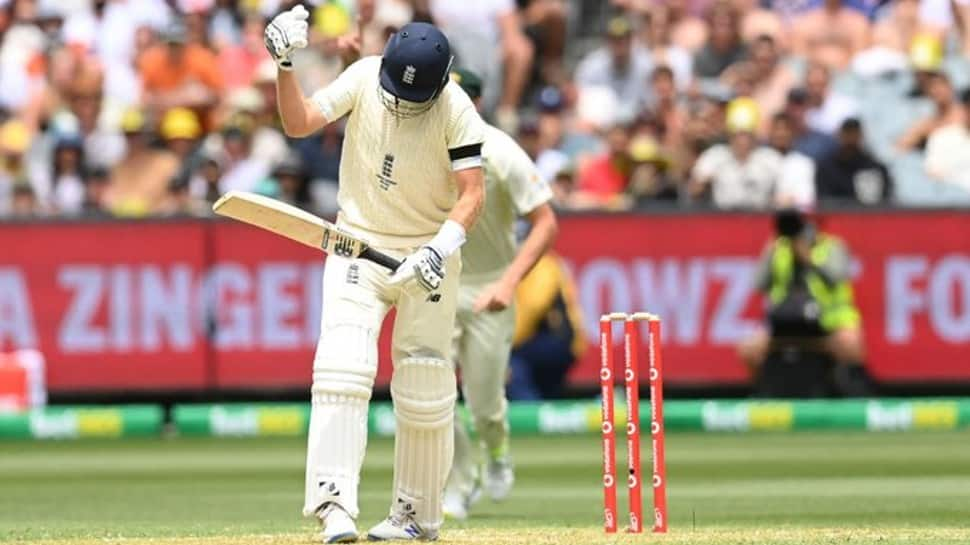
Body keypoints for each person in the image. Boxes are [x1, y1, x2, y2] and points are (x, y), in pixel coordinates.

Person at [263, 8, 486, 542]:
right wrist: (285, 65)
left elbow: (472, 193)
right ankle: (333, 507)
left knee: (426, 379)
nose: (401, 104)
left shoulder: (457, 109)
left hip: (427, 258)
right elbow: (299, 123)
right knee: (342, 368)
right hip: (357, 247)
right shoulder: (365, 77)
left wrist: (439, 249)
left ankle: (417, 516)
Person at [442, 68, 558, 521]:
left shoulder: (501, 150)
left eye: (454, 97)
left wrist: (508, 282)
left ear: (475, 102)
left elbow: (546, 222)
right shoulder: (430, 145)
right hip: (441, 285)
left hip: (490, 285)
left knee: (485, 404)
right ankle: (458, 482)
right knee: (430, 391)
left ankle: (497, 451)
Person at [738, 208, 868, 393]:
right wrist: (770, 250)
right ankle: (763, 393)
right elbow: (758, 284)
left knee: (852, 344)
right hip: (785, 323)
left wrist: (808, 259)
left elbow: (838, 276)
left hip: (828, 323)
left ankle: (852, 394)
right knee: (749, 349)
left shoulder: (832, 246)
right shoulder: (778, 248)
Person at [506, 250, 585, 400]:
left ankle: (529, 418)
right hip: (537, 342)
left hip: (560, 341)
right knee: (544, 390)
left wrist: (505, 345)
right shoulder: (522, 263)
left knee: (511, 365)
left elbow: (532, 309)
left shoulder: (542, 265)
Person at [816, 118, 892, 204]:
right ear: (839, 135)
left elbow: (884, 201)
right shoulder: (826, 168)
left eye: (854, 134)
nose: (850, 139)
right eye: (847, 134)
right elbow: (823, 200)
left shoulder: (875, 168)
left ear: (861, 136)